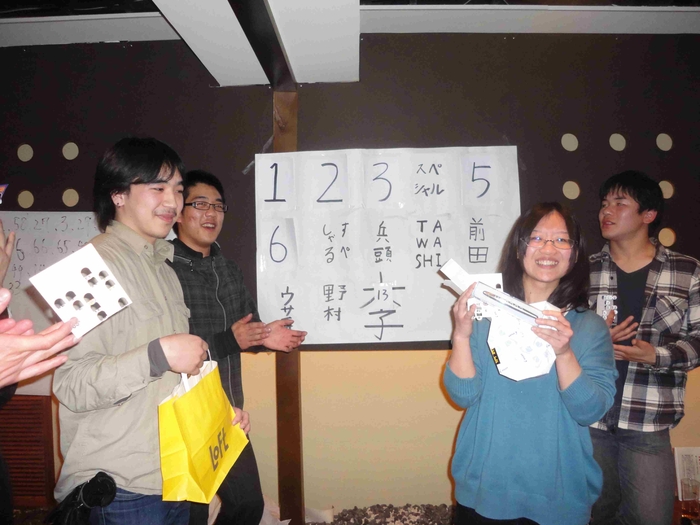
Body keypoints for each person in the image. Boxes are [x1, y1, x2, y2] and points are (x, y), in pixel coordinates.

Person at [52, 138, 249, 525]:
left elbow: (175, 375)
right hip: (121, 487)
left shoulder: (164, 268)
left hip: (172, 473)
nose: (172, 201)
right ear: (118, 194)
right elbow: (71, 384)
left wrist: (218, 415)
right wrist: (156, 355)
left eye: (178, 189)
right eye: (158, 188)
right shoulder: (86, 269)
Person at [444, 202, 617, 525]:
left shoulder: (589, 327)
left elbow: (590, 411)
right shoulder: (485, 315)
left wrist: (564, 353)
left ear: (574, 254)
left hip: (559, 495)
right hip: (484, 487)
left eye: (561, 240)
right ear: (518, 248)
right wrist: (462, 335)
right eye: (536, 238)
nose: (548, 248)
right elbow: (463, 395)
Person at [169, 170, 306, 525]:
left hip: (228, 408)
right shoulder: (166, 270)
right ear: (179, 212)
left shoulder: (227, 268)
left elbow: (244, 328)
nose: (211, 214)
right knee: (192, 513)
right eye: (200, 204)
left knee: (247, 504)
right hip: (183, 413)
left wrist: (264, 337)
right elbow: (174, 348)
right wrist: (234, 339)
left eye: (218, 206)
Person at [588, 171, 700, 525]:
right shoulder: (585, 270)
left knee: (652, 518)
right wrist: (593, 340)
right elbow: (558, 334)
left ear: (648, 214)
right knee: (592, 515)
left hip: (648, 419)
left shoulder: (686, 270)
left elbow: (698, 340)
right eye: (604, 203)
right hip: (589, 416)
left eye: (620, 203)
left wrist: (656, 356)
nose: (606, 211)